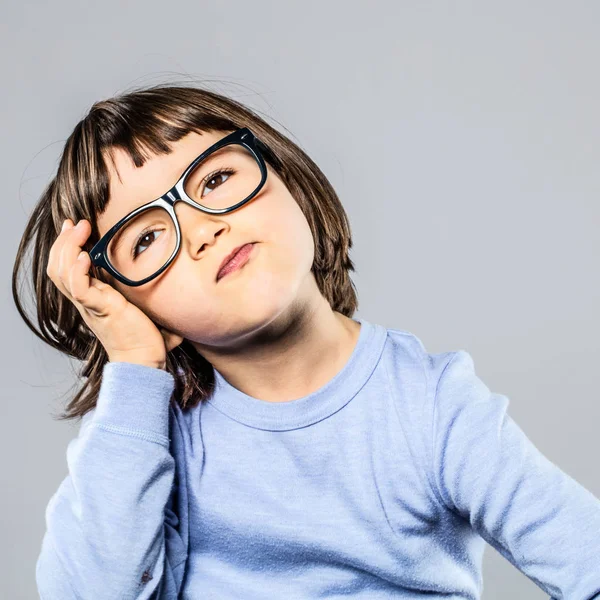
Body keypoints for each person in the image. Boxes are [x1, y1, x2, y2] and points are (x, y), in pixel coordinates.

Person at [13, 83, 600, 600]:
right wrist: (136, 365)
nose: (201, 229)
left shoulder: (430, 404)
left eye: (216, 179)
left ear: (287, 178)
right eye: (144, 240)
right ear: (127, 300)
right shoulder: (142, 433)